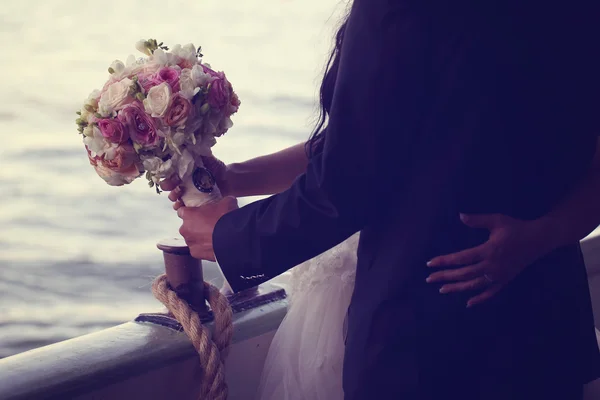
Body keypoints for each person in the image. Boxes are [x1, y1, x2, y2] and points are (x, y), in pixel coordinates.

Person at [165, 0, 600, 398]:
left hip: (428, 339)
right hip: (547, 325)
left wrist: (230, 239)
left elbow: (348, 186)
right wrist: (236, 177)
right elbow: (380, 140)